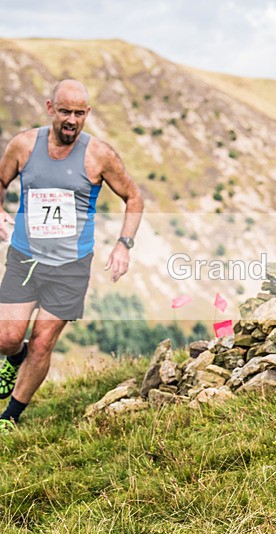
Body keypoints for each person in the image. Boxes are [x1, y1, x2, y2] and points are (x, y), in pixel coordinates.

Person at [0, 79, 144, 433]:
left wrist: (124, 244)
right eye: (65, 111)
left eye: (79, 113)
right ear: (50, 108)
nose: (72, 120)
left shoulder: (100, 155)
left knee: (43, 341)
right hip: (25, 259)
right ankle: (13, 358)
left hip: (70, 268)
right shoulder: (23, 145)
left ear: (87, 114)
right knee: (6, 338)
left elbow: (134, 197)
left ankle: (10, 417)